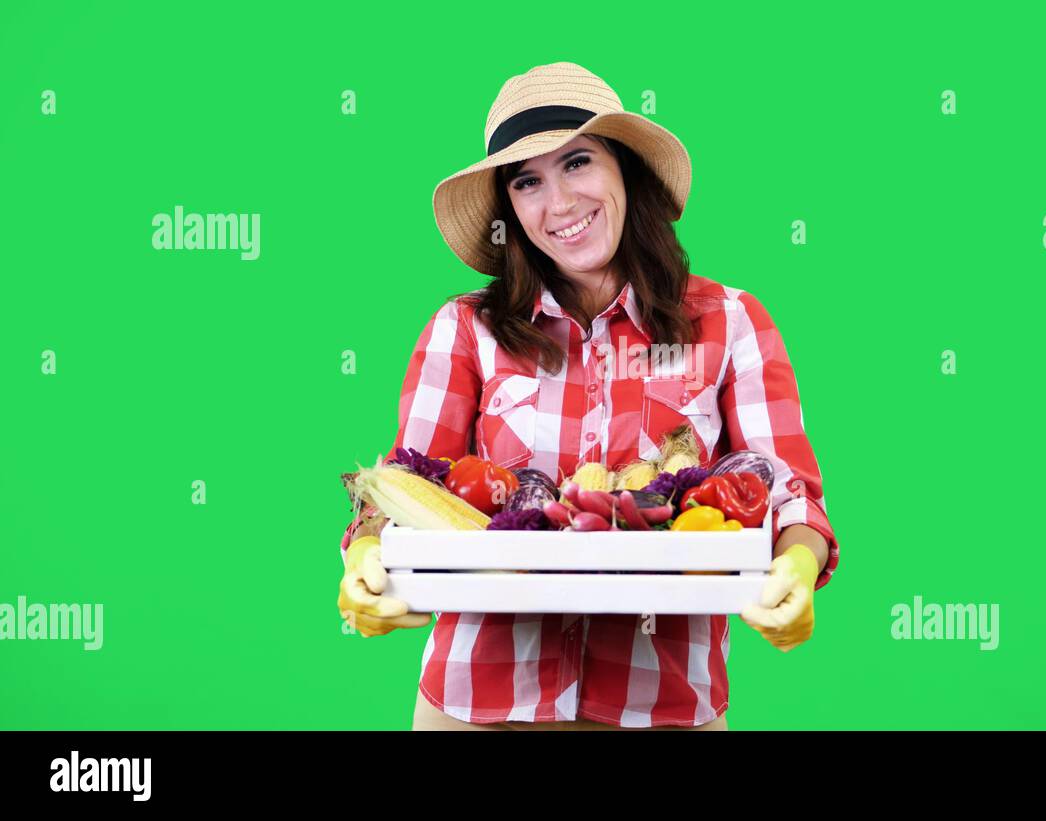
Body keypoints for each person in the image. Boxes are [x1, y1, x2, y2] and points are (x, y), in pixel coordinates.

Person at [336, 62, 839, 730]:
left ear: (625, 168)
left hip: (663, 708)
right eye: (528, 181)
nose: (561, 203)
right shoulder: (465, 330)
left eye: (578, 162)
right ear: (508, 209)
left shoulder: (729, 321)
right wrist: (367, 556)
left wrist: (797, 568)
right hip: (476, 708)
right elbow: (401, 486)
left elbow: (791, 497)